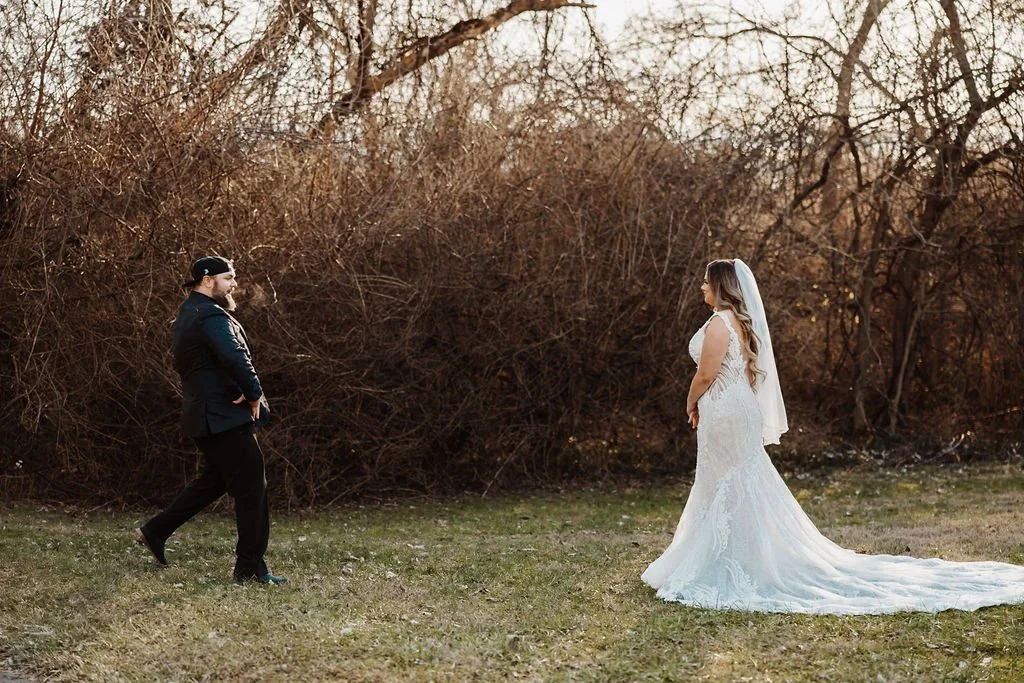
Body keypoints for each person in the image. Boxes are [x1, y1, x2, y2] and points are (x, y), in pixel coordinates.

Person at [642, 258, 1024, 614]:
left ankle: (727, 563)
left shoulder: (718, 324)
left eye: (706, 282)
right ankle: (730, 557)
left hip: (725, 411)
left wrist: (690, 403)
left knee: (724, 484)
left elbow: (706, 374)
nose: (701, 286)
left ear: (720, 287)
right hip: (736, 409)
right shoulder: (739, 322)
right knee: (730, 483)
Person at [135, 256, 286, 585]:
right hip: (222, 417)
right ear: (207, 279)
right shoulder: (209, 317)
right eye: (228, 277)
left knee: (215, 481)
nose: (234, 284)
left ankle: (155, 531)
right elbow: (234, 356)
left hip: (206, 416)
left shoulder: (188, 314)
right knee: (251, 489)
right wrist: (254, 393)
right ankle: (250, 569)